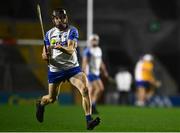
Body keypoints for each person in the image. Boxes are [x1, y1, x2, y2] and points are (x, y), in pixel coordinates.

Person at [36, 8, 100, 130]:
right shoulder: (49, 34)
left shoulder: (72, 31)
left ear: (66, 18)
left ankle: (88, 120)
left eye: (62, 17)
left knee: (85, 90)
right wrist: (45, 56)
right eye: (57, 18)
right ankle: (40, 104)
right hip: (56, 70)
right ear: (54, 20)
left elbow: (71, 50)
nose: (60, 20)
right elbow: (45, 53)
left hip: (72, 69)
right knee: (52, 99)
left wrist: (61, 48)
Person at [82, 34, 109, 114]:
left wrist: (104, 71)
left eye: (95, 40)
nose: (94, 41)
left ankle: (91, 106)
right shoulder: (88, 50)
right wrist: (83, 73)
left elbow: (100, 62)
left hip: (96, 73)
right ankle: (91, 106)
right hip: (90, 73)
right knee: (99, 88)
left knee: (94, 89)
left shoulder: (98, 50)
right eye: (93, 40)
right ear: (90, 41)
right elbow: (84, 62)